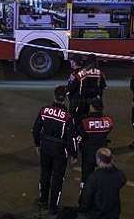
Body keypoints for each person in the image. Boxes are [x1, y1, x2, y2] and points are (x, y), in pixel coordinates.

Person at [32, 85, 76, 216]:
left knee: (45, 174)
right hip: (60, 151)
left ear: (54, 96)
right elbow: (71, 137)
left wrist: (37, 144)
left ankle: (43, 200)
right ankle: (53, 207)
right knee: (57, 178)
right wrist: (73, 154)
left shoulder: (44, 110)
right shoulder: (68, 117)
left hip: (45, 147)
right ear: (65, 98)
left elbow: (35, 129)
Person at [77, 148, 127, 219]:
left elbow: (85, 199)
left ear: (98, 160)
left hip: (96, 214)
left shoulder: (94, 177)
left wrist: (81, 208)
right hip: (113, 214)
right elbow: (123, 179)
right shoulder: (118, 175)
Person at [77, 98, 114, 186]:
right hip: (102, 153)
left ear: (92, 107)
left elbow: (79, 137)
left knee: (86, 178)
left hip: (88, 153)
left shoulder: (85, 122)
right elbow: (108, 130)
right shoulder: (108, 121)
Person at [67, 55, 106, 121]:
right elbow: (103, 86)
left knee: (77, 117)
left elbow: (73, 86)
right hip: (94, 99)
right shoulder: (100, 72)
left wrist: (70, 83)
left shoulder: (83, 72)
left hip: (81, 99)